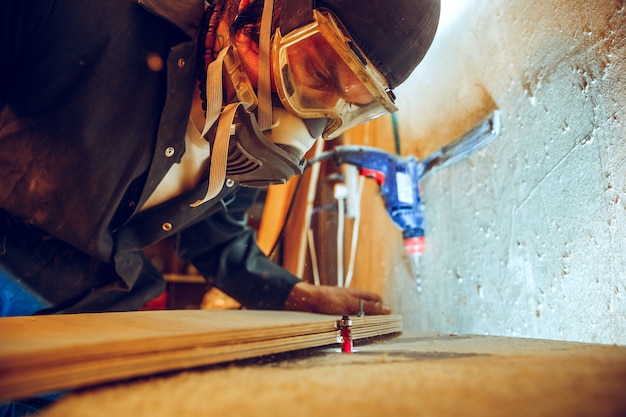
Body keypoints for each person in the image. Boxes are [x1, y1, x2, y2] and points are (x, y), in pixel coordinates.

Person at [0, 0, 439, 317]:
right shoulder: (77, 16)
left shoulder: (240, 140)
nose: (312, 116)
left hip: (89, 307)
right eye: (320, 73)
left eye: (348, 104)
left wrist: (297, 294)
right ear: (255, 10)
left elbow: (211, 232)